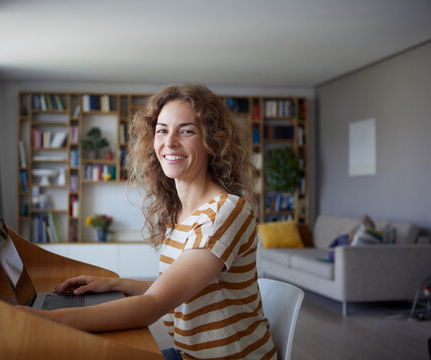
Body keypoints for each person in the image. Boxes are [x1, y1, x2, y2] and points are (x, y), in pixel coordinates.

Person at [18, 85, 277, 360]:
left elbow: (154, 305)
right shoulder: (180, 212)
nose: (170, 142)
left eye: (186, 130)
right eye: (162, 130)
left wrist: (43, 319)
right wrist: (112, 284)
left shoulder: (225, 211)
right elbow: (176, 290)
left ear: (211, 141)